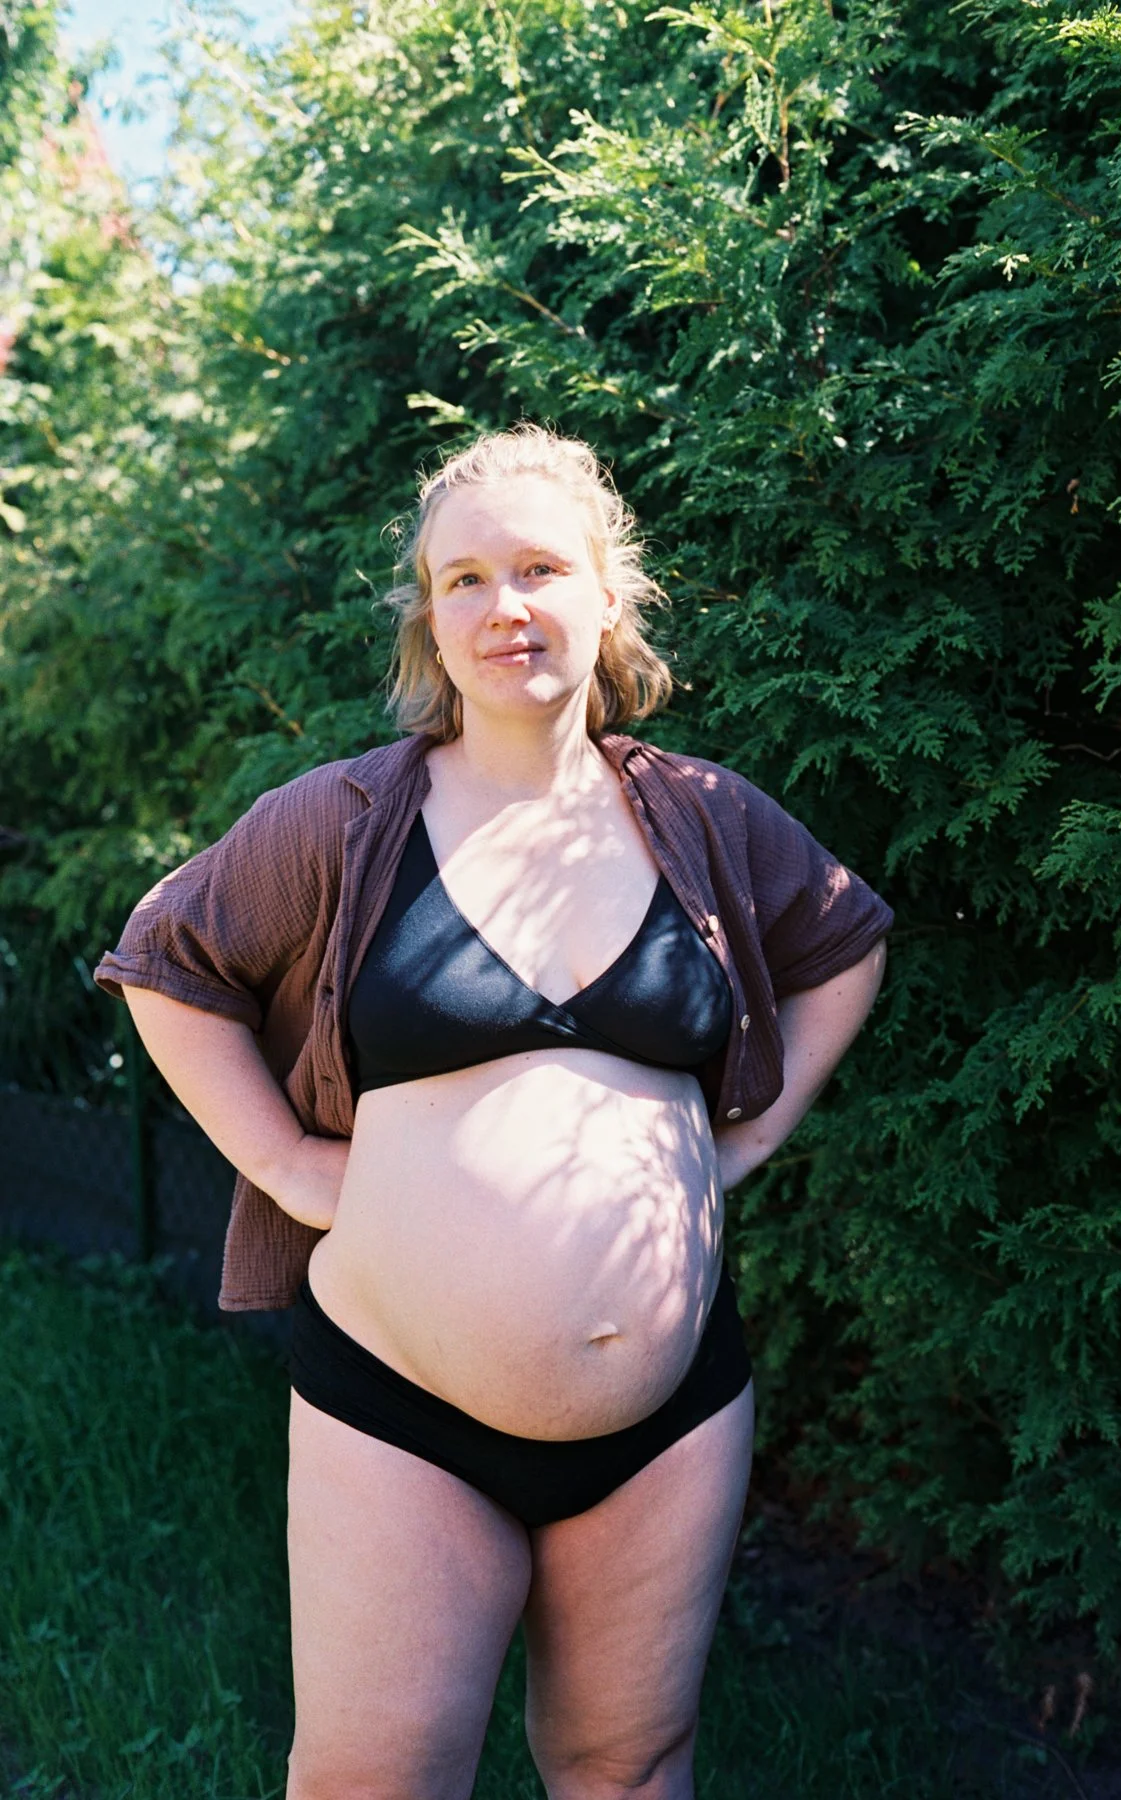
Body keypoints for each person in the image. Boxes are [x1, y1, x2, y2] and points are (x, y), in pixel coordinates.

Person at [94, 422, 894, 1800]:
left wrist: (744, 1143)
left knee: (627, 1767)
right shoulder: (345, 820)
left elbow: (843, 940)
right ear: (428, 615)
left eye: (537, 568)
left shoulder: (697, 817)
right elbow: (167, 959)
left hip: (672, 1413)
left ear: (605, 594)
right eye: (462, 579)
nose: (501, 606)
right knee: (372, 1781)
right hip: (395, 1408)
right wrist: (285, 1162)